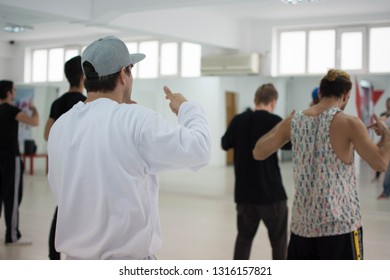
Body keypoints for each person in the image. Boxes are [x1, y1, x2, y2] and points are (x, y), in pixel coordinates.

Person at [47, 36, 212, 260]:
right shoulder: (135, 120)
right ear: (124, 73)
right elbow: (200, 148)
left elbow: (61, 187)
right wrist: (187, 109)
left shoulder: (61, 126)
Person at [253, 69, 390, 260]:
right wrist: (387, 136)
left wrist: (284, 125)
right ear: (345, 95)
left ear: (320, 93)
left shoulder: (294, 122)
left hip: (302, 229)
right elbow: (381, 163)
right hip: (340, 228)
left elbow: (258, 152)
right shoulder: (350, 122)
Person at [221, 83, 290, 260]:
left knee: (243, 239)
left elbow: (224, 143)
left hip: (244, 196)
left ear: (255, 99)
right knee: (279, 242)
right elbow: (290, 145)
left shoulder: (238, 120)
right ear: (273, 102)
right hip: (271, 196)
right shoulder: (275, 121)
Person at [44, 55, 86, 260]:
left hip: (64, 167)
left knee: (62, 207)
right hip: (81, 167)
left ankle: (54, 255)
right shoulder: (84, 103)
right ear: (82, 77)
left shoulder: (58, 102)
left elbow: (47, 133)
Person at [0, 80, 39, 245]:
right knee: (12, 198)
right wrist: (34, 109)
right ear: (9, 93)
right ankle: (13, 235)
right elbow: (35, 122)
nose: (15, 92)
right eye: (14, 90)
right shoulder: (13, 111)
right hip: (11, 159)